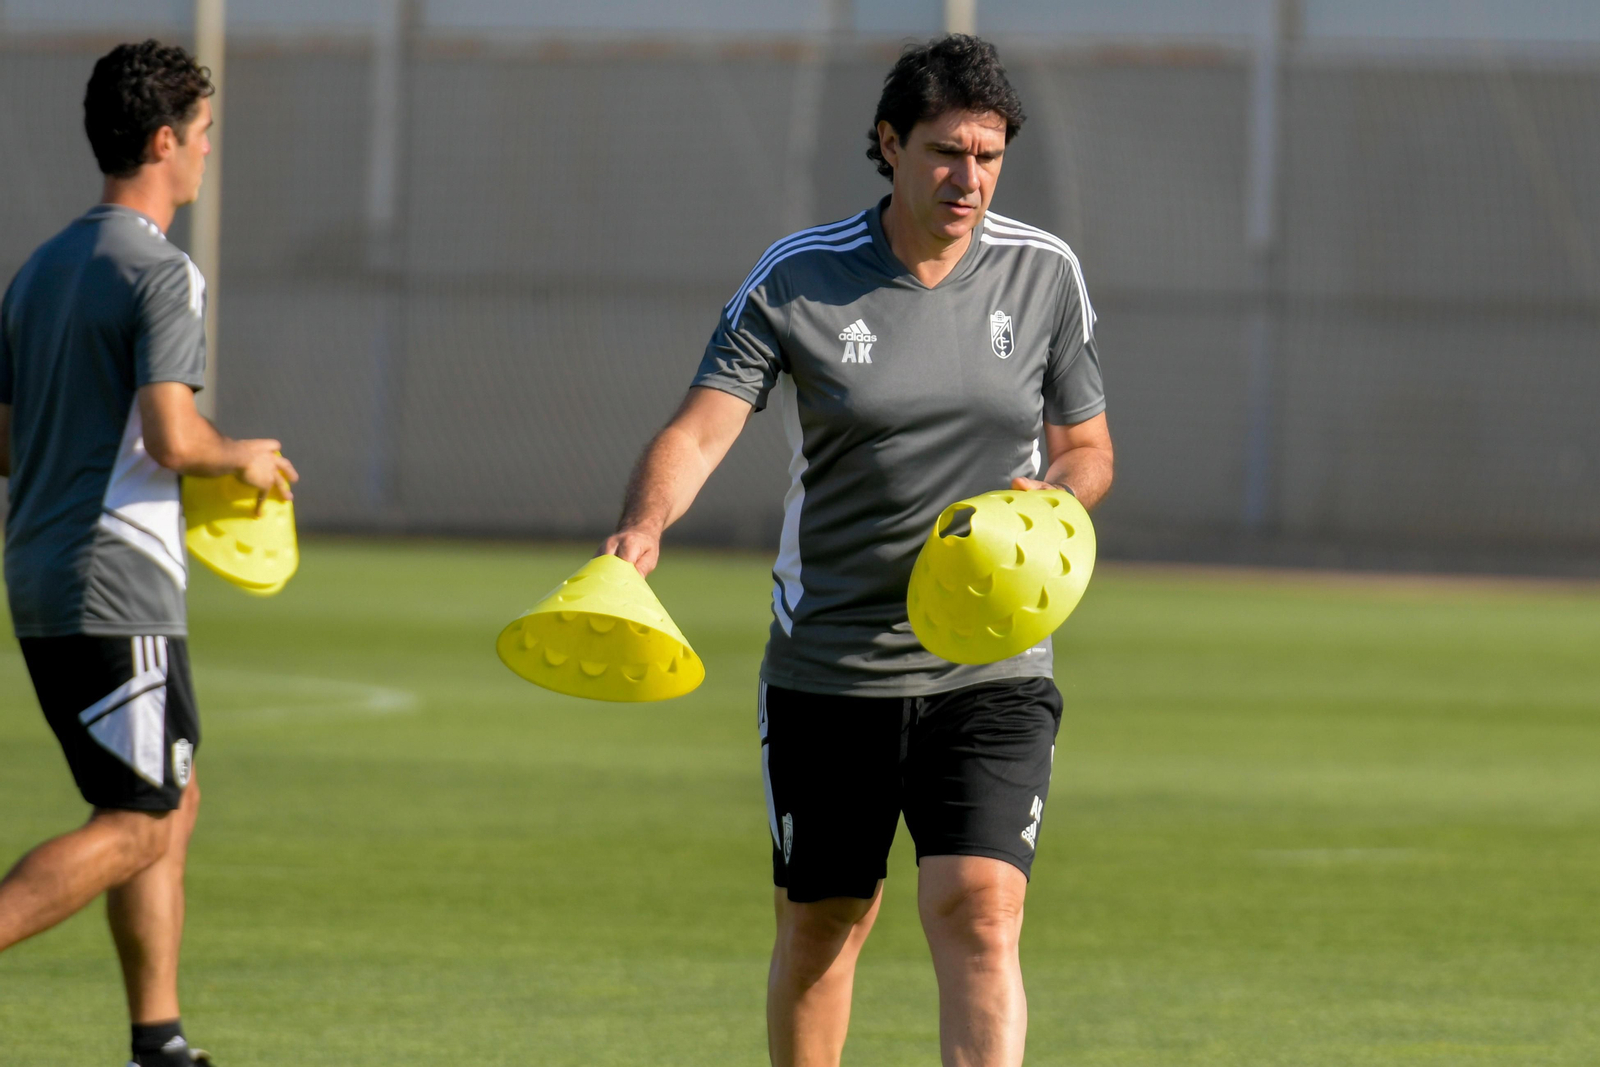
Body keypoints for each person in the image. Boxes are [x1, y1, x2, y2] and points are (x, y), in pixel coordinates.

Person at [603, 33, 1114, 1067]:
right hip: (831, 660)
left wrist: (1054, 500)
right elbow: (702, 426)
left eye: (987, 155)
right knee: (826, 922)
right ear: (888, 143)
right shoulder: (799, 278)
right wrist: (643, 527)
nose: (967, 177)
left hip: (992, 657)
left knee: (978, 905)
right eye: (943, 152)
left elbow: (1089, 448)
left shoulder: (1044, 273)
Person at [0, 40, 298, 1067]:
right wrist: (243, 458)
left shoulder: (41, 269)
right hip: (113, 581)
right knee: (139, 818)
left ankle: (158, 1040)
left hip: (42, 571)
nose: (209, 153)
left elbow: (3, 439)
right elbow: (176, 438)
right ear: (166, 141)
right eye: (205, 134)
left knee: (173, 793)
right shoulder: (162, 271)